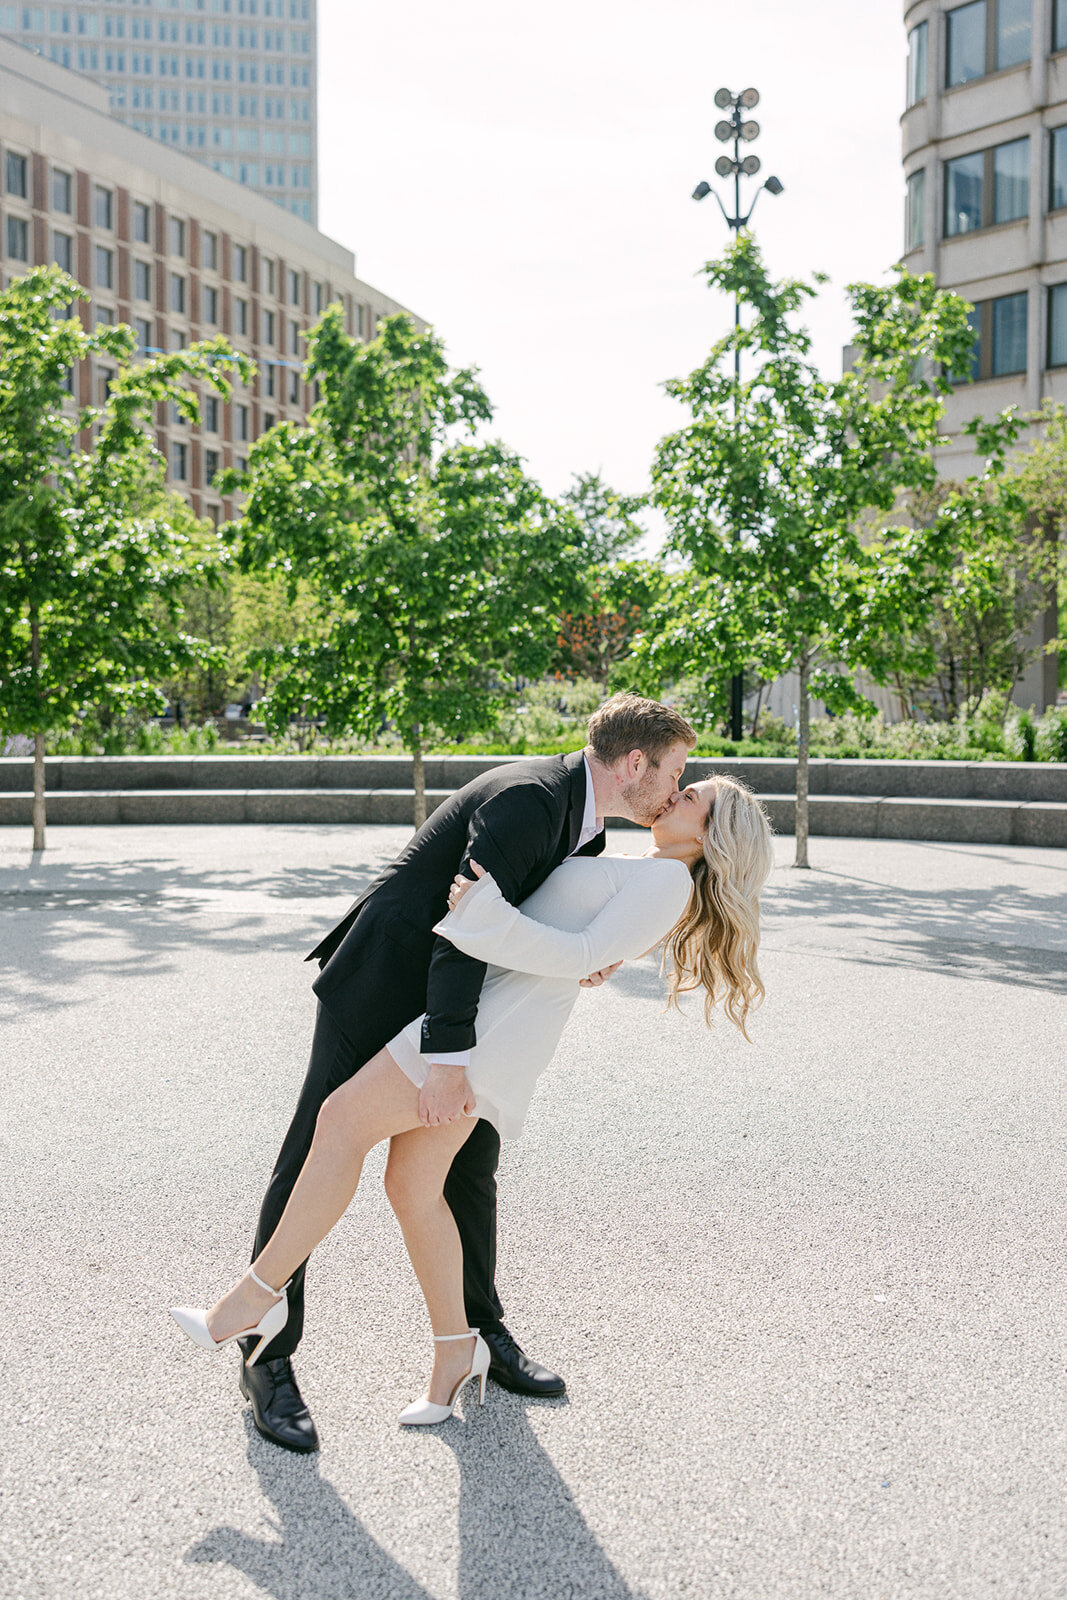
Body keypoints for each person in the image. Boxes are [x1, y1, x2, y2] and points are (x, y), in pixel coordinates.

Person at [171, 769, 775, 1430]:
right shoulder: (642, 869)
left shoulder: (667, 881)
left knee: (340, 1123)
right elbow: (578, 947)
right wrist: (557, 946)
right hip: (498, 1022)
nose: (677, 792)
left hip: (492, 1032)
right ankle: (456, 1350)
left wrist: (485, 918)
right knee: (411, 1187)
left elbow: (578, 949)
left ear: (714, 836)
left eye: (694, 797)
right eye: (683, 784)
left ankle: (253, 1300)